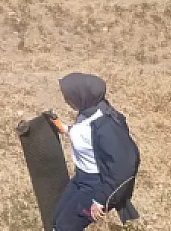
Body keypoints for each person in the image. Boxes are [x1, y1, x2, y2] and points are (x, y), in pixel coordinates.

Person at [53, 74, 140, 231]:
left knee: (65, 227)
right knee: (56, 219)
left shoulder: (106, 126)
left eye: (69, 96)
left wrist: (101, 200)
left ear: (83, 96)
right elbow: (89, 138)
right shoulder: (88, 111)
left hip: (96, 186)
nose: (66, 100)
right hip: (81, 178)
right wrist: (66, 129)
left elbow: (125, 168)